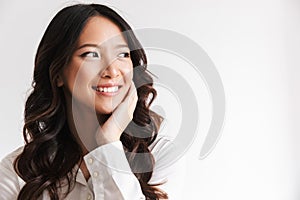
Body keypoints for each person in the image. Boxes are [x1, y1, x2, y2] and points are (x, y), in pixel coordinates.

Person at [0, 3, 185, 200]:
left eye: (122, 54)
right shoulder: (17, 173)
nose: (112, 71)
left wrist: (108, 143)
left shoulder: (159, 156)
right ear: (58, 74)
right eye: (91, 54)